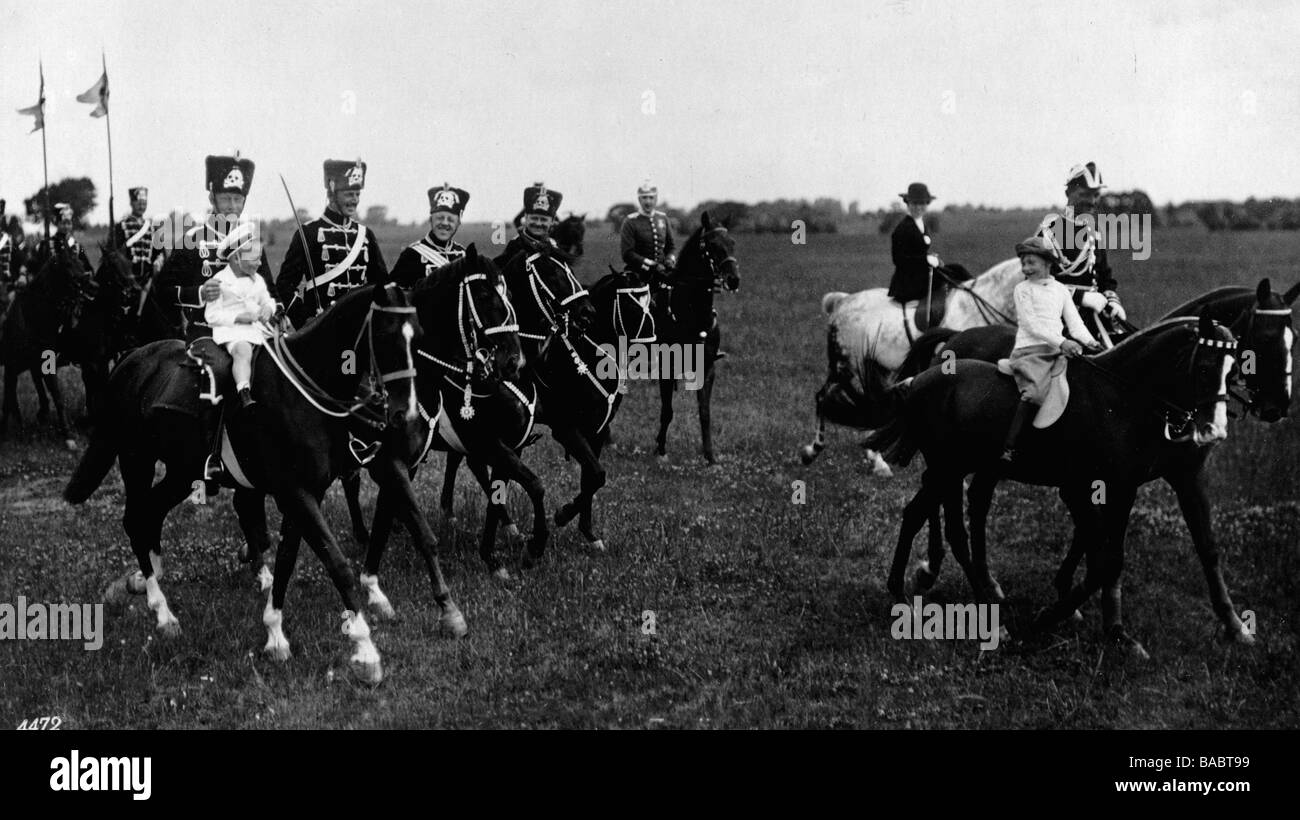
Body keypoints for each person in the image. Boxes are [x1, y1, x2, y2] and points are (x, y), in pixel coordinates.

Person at [1000, 236, 1100, 462]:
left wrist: (1092, 342)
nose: (1026, 269)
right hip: (1030, 351)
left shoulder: (1061, 290)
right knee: (1034, 393)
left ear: (1047, 263)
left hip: (1055, 349)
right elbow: (1032, 325)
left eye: (1031, 263)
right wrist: (1062, 342)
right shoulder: (1022, 290)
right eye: (1023, 263)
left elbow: (1075, 324)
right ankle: (1010, 446)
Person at [154, 154, 274, 342]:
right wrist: (200, 292)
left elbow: (270, 290)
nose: (232, 206)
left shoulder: (251, 241)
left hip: (251, 332)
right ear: (212, 197)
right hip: (206, 333)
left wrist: (274, 309)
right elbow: (162, 290)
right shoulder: (191, 240)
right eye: (226, 199)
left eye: (238, 199)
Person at [276, 159, 387, 328]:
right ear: (333, 192)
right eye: (349, 194)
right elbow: (285, 284)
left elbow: (381, 284)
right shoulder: (309, 233)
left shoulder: (365, 235)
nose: (355, 200)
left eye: (358, 194)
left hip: (360, 327)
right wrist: (305, 320)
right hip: (322, 328)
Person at [1035, 162, 1127, 345]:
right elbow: (1038, 282)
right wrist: (1081, 297)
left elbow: (1104, 276)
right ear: (1068, 194)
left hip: (1095, 318)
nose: (1092, 201)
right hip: (1058, 319)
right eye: (1084, 194)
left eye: (1095, 195)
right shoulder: (1050, 232)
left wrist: (1112, 299)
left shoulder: (1094, 232)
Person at [205, 227, 278, 409]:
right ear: (237, 258)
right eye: (254, 259)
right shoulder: (220, 281)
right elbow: (211, 315)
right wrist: (239, 317)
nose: (260, 263)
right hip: (233, 331)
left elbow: (267, 300)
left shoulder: (257, 280)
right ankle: (243, 391)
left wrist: (268, 309)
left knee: (279, 348)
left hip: (257, 330)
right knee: (243, 351)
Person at [388, 183, 470, 288]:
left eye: (450, 219)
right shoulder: (412, 254)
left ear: (458, 223)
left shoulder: (464, 255)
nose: (445, 223)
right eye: (440, 218)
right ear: (431, 220)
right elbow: (394, 295)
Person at [887, 182, 941, 303]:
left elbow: (918, 250)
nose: (918, 207)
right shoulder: (902, 229)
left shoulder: (922, 225)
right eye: (914, 203)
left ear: (927, 204)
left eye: (922, 203)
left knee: (956, 271)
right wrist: (925, 260)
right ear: (907, 203)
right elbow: (898, 260)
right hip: (908, 283)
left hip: (922, 274)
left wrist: (930, 257)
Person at [493, 182, 562, 268]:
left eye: (544, 219)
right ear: (526, 217)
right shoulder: (515, 245)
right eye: (534, 218)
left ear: (552, 221)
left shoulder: (554, 246)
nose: (538, 223)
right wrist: (520, 230)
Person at [620, 180, 676, 285]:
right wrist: (652, 265)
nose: (648, 202)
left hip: (662, 273)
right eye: (644, 197)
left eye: (651, 197)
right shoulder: (630, 221)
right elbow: (627, 254)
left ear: (656, 199)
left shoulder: (663, 218)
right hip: (638, 275)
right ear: (639, 199)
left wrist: (670, 259)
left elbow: (671, 247)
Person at [111, 186, 165, 286]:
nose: (141, 206)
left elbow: (160, 252)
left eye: (144, 204)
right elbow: (116, 251)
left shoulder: (152, 228)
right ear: (131, 203)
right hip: (127, 277)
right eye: (138, 203)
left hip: (148, 277)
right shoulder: (121, 226)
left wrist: (158, 261)